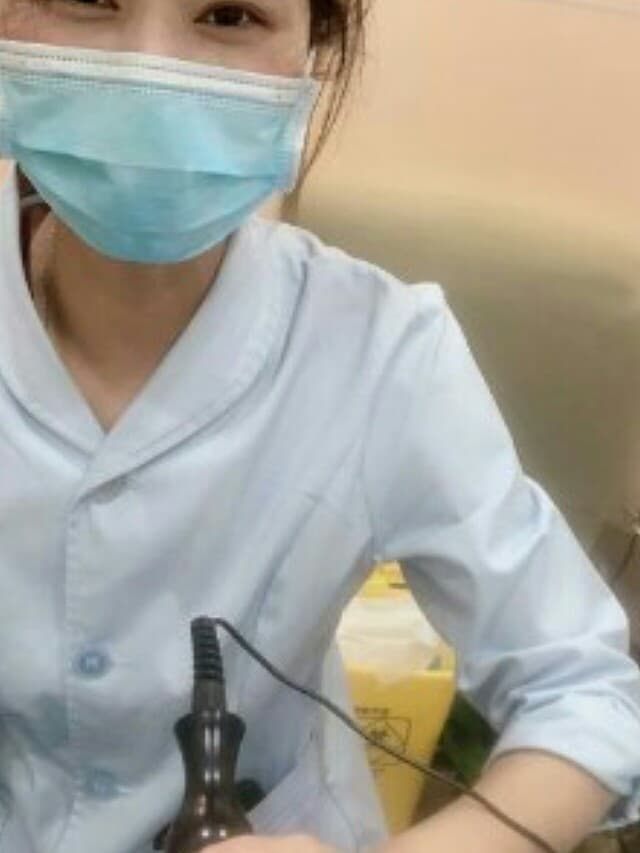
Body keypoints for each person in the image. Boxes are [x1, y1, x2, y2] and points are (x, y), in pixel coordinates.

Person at [0, 1, 637, 852]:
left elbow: (587, 690)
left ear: (313, 49)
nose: (150, 73)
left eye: (229, 14)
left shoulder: (383, 352)